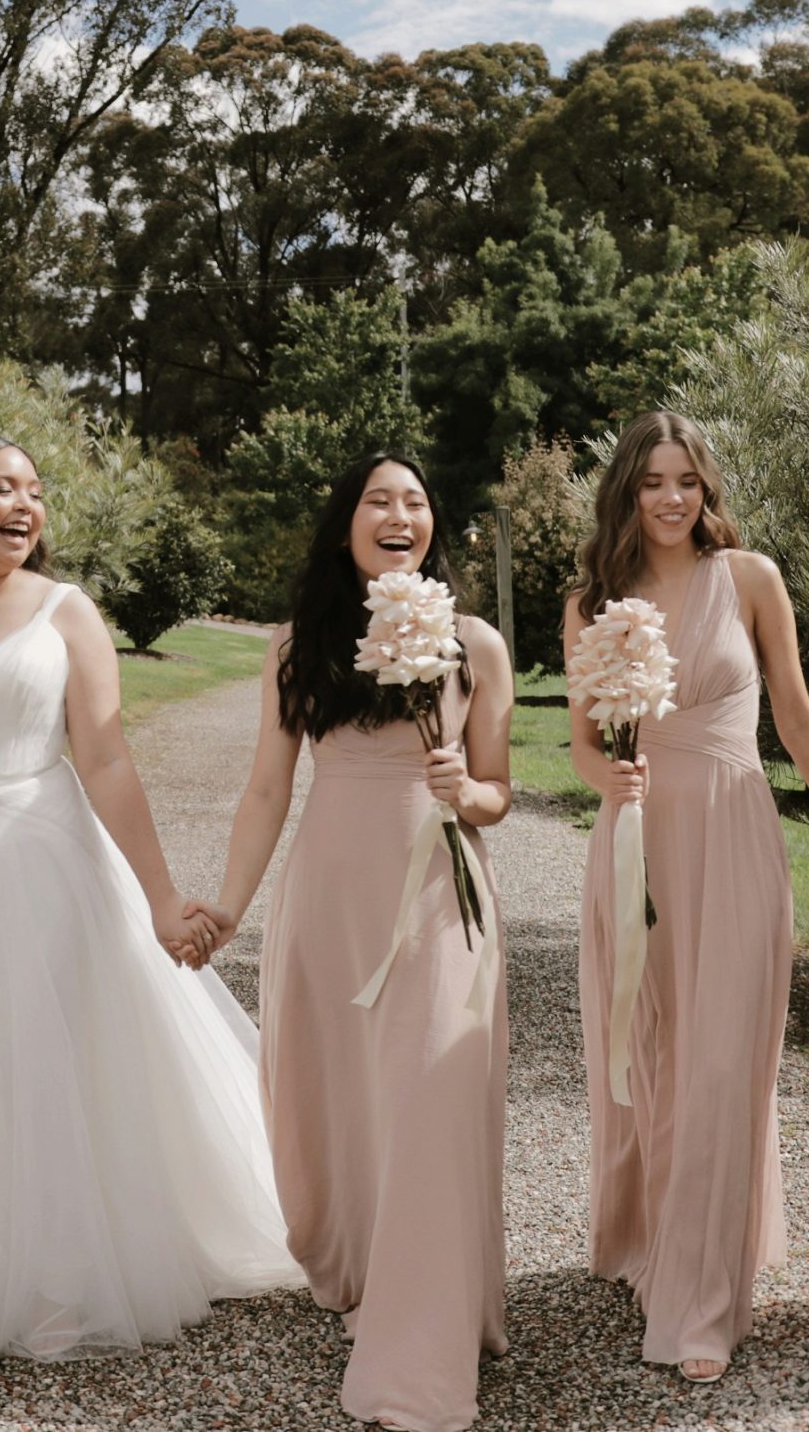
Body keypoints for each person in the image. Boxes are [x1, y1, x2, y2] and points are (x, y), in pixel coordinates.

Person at [0, 435, 302, 1428]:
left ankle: (45, 1279)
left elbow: (108, 760)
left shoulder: (65, 612)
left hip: (40, 862)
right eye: (3, 487)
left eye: (35, 492)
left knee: (35, 1071)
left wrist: (165, 899)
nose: (24, 505)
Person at [206, 452, 515, 1432]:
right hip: (332, 897)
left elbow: (498, 790)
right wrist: (226, 907)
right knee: (342, 1101)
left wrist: (466, 793)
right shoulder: (299, 646)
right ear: (345, 524)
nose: (398, 515)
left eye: (416, 501)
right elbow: (267, 787)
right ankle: (369, 1273)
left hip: (438, 894)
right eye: (378, 501)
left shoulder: (476, 644)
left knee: (429, 1092)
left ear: (432, 527)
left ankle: (419, 1346)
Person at [567, 411, 809, 1381]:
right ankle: (660, 1246)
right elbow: (581, 740)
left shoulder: (749, 580)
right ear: (626, 489)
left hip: (734, 833)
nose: (669, 498)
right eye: (651, 481)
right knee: (654, 1056)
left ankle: (700, 1303)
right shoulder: (594, 599)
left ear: (706, 489)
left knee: (724, 1060)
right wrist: (603, 779)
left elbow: (795, 709)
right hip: (638, 842)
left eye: (685, 480)